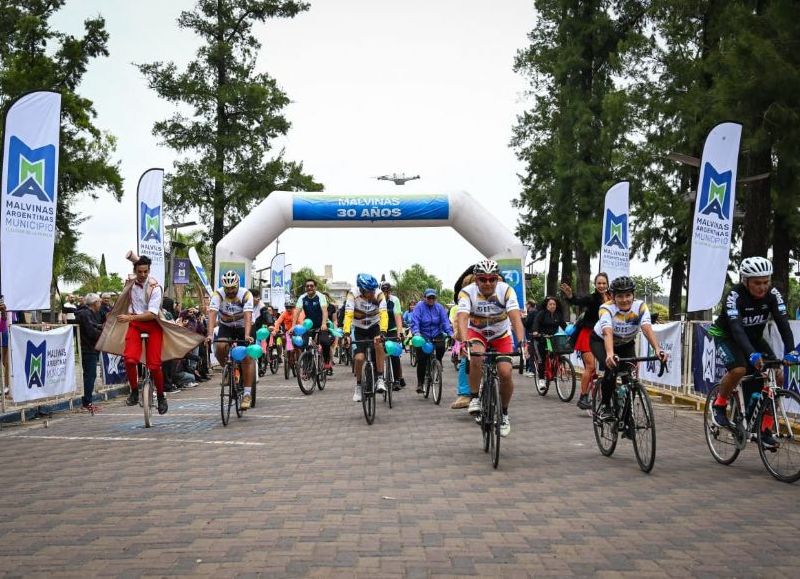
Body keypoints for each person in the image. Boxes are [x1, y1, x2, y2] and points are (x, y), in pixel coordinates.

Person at [708, 257, 798, 449]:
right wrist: (752, 355)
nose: (762, 287)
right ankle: (720, 404)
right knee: (739, 369)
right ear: (745, 280)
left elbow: (784, 325)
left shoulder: (774, 294)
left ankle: (764, 430)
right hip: (728, 335)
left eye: (766, 282)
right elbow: (737, 330)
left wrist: (790, 351)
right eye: (757, 283)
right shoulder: (734, 296)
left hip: (754, 337)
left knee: (778, 376)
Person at [457, 260, 525, 437]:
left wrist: (522, 342)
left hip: (500, 334)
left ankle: (503, 413)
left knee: (505, 372)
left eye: (492, 279)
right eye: (483, 279)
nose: (487, 283)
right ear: (476, 280)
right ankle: (475, 397)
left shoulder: (506, 290)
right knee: (476, 356)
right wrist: (464, 342)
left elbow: (515, 317)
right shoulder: (466, 293)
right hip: (477, 332)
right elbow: (463, 318)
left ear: (497, 279)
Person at [591, 276, 668, 421]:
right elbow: (607, 332)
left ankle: (627, 418)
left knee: (630, 378)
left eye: (628, 295)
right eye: (620, 296)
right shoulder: (606, 308)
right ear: (613, 297)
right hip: (601, 342)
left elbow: (646, 328)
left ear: (633, 295)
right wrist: (609, 354)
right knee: (611, 368)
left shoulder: (640, 307)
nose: (625, 299)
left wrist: (658, 349)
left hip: (626, 343)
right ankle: (606, 406)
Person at [117, 256, 169, 415]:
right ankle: (133, 391)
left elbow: (152, 315)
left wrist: (130, 317)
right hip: (135, 325)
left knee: (154, 366)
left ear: (149, 271)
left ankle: (161, 396)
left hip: (153, 325)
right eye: (139, 271)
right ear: (135, 271)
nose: (143, 274)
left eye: (145, 271)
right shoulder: (130, 284)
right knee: (130, 359)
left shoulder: (155, 287)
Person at [560, 273, 611, 410]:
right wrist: (571, 296)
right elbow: (578, 300)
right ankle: (583, 397)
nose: (601, 286)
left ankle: (603, 395)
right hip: (587, 335)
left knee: (608, 368)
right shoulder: (592, 298)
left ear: (607, 284)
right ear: (595, 284)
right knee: (591, 367)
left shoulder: (612, 298)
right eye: (599, 283)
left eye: (604, 283)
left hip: (605, 336)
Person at [206, 271, 256, 409]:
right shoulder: (218, 294)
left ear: (238, 284)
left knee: (246, 356)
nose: (230, 291)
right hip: (226, 325)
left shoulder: (246, 294)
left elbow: (247, 316)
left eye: (233, 288)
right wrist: (210, 334)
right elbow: (212, 313)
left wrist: (246, 335)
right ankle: (228, 370)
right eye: (227, 288)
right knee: (220, 346)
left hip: (242, 326)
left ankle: (247, 394)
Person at [343, 274, 388, 402]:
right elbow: (348, 315)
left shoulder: (379, 294)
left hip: (375, 325)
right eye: (370, 291)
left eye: (374, 289)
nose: (373, 293)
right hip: (358, 328)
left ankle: (380, 378)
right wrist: (346, 334)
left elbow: (384, 314)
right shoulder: (352, 294)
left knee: (379, 344)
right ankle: (358, 386)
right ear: (362, 290)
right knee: (359, 358)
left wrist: (383, 332)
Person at [410, 288, 453, 394]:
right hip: (423, 334)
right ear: (424, 298)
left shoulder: (439, 308)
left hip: (436, 333)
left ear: (435, 298)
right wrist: (416, 333)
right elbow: (415, 321)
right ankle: (420, 383)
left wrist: (450, 333)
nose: (431, 299)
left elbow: (445, 321)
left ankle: (437, 363)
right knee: (422, 359)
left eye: (433, 297)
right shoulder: (419, 307)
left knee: (441, 347)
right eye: (429, 297)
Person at [292, 279, 332, 374]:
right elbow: (297, 311)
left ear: (315, 287)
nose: (309, 288)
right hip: (308, 325)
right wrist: (293, 326)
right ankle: (307, 368)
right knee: (303, 344)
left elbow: (324, 311)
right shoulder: (302, 297)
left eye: (311, 286)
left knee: (325, 342)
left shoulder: (320, 296)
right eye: (307, 286)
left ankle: (326, 361)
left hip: (321, 324)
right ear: (305, 288)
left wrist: (323, 324)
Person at [74, 293, 104, 411]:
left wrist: (101, 327)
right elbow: (91, 332)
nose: (100, 304)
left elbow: (93, 326)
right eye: (99, 302)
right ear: (95, 303)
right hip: (88, 348)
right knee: (90, 376)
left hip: (90, 347)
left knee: (91, 375)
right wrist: (104, 333)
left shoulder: (88, 313)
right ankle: (87, 402)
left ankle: (88, 401)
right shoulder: (85, 313)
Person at [531, 296, 566, 379]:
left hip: (553, 339)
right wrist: (535, 332)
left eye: (554, 304)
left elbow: (564, 326)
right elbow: (536, 323)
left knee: (557, 354)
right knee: (542, 359)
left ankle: (554, 371)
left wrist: (570, 331)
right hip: (541, 339)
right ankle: (541, 379)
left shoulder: (558, 315)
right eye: (550, 304)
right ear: (547, 305)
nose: (552, 306)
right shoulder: (542, 313)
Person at [380, 281, 406, 390]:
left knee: (394, 355)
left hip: (392, 329)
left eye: (388, 291)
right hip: (380, 329)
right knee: (379, 353)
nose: (386, 293)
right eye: (384, 291)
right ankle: (379, 380)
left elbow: (397, 316)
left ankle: (396, 380)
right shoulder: (377, 300)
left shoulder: (394, 300)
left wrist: (399, 332)